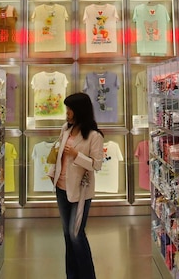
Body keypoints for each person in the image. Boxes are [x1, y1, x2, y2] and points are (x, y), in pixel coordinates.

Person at [50, 92, 105, 279]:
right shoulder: (66, 128)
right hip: (61, 186)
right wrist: (52, 173)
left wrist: (76, 155)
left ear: (78, 110)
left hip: (80, 190)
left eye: (70, 109)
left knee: (76, 234)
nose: (67, 112)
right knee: (67, 234)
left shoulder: (94, 136)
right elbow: (57, 152)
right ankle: (72, 275)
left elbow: (96, 164)